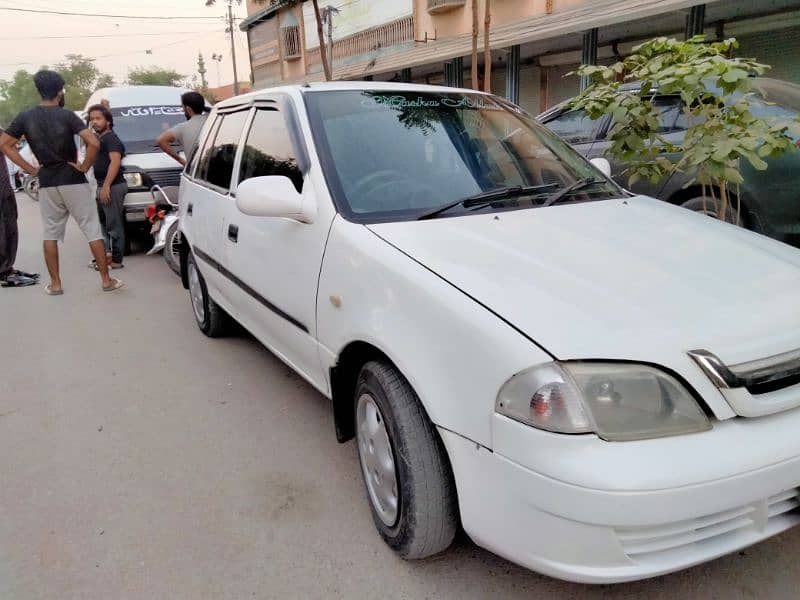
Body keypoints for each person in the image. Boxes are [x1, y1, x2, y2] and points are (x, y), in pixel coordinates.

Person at [0, 70, 123, 295]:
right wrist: (85, 166)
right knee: (92, 230)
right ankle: (106, 280)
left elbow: (4, 144)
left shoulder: (25, 117)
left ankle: (56, 285)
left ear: (39, 90)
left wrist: (30, 170)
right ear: (59, 91)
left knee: (50, 234)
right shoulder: (66, 115)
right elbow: (93, 142)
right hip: (73, 178)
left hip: (47, 182)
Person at [87, 104, 127, 270]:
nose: (94, 122)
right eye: (91, 119)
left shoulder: (111, 138)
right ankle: (106, 256)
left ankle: (117, 260)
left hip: (112, 186)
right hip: (102, 185)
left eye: (98, 118)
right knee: (103, 224)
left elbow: (115, 162)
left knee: (114, 225)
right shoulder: (100, 138)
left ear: (108, 121)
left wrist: (106, 187)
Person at [0, 127, 39, 288]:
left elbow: (11, 140)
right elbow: (8, 143)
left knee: (10, 226)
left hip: (4, 186)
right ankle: (4, 271)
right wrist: (32, 170)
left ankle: (8, 267)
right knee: (2, 230)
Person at [156, 91, 209, 166]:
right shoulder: (214, 122)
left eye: (182, 107)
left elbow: (161, 140)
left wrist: (182, 161)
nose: (182, 110)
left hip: (196, 172)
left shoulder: (183, 127)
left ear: (188, 109)